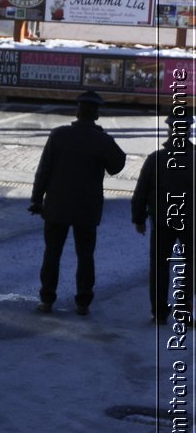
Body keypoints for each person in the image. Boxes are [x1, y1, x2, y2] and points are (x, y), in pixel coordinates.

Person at [30, 91, 127, 317]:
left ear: (77, 111)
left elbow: (43, 170)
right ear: (97, 114)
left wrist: (36, 200)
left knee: (52, 254)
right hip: (87, 208)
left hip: (57, 206)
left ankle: (46, 299)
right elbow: (117, 165)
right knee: (85, 256)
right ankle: (83, 302)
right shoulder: (102, 140)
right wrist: (102, 140)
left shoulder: (59, 135)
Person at [132, 112, 192, 325]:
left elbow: (141, 192)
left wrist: (138, 218)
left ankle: (159, 312)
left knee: (159, 266)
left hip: (161, 220)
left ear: (169, 131)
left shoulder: (156, 158)